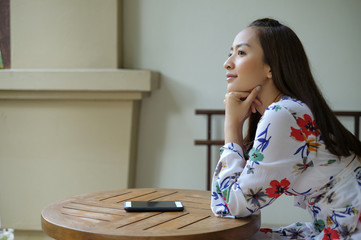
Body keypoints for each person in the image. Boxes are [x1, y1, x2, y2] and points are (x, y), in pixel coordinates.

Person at [211, 18, 361, 240]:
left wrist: (231, 125)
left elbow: (232, 205)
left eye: (241, 53)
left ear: (270, 67)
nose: (228, 63)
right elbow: (228, 202)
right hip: (339, 228)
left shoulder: (283, 114)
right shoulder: (289, 110)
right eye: (230, 52)